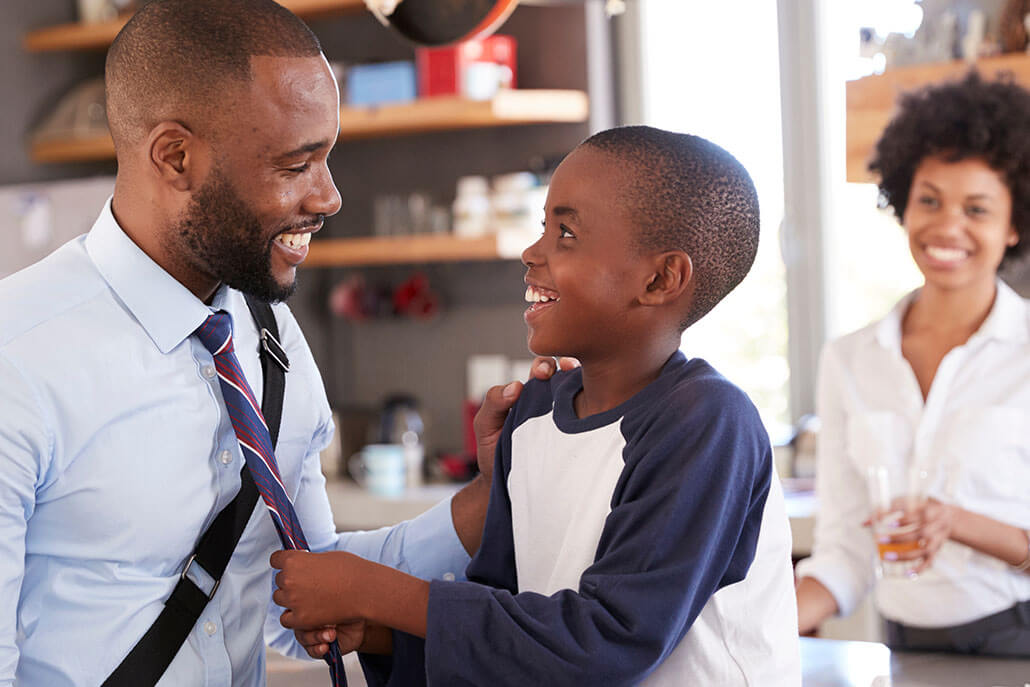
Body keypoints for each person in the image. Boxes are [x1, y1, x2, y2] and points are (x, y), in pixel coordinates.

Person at [0, 1, 535, 684]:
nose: (330, 196)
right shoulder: (17, 356)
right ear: (175, 156)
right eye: (296, 164)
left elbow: (308, 584)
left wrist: (483, 504)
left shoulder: (269, 334)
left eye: (327, 156)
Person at [270, 126, 802, 685]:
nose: (532, 251)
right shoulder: (532, 415)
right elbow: (505, 617)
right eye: (542, 226)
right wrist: (376, 632)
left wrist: (376, 591)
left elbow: (608, 639)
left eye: (566, 233)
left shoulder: (707, 423)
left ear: (661, 278)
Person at [794, 71, 1030, 655]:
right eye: (930, 200)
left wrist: (957, 523)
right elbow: (848, 550)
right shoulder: (849, 359)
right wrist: (757, 623)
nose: (947, 226)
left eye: (977, 209)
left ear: (1014, 226)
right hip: (903, 647)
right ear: (902, 202)